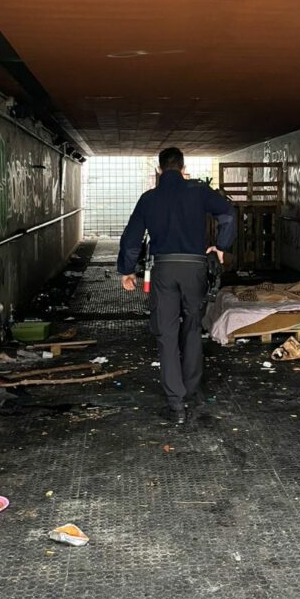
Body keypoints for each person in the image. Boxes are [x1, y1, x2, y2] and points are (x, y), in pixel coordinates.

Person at [118, 147, 236, 425]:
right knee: (192, 327)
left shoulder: (149, 198)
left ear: (160, 170)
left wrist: (127, 270)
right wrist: (221, 246)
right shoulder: (198, 191)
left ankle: (176, 403)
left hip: (164, 270)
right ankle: (192, 390)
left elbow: (132, 235)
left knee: (166, 333)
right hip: (195, 268)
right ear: (184, 169)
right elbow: (228, 213)